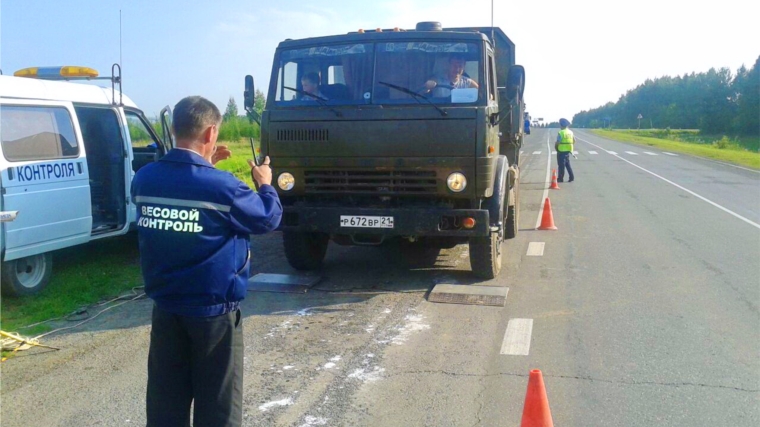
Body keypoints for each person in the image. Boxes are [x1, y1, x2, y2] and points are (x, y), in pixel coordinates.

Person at [131, 96, 282, 427]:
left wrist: (207, 163)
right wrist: (266, 184)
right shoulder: (224, 187)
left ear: (172, 130)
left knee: (165, 404)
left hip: (166, 310)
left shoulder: (144, 179)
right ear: (211, 132)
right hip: (213, 315)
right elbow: (267, 220)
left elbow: (184, 194)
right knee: (218, 408)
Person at [555, 118, 575, 182]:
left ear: (562, 125)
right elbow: (574, 140)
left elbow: (558, 142)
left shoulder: (561, 132)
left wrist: (556, 147)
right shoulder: (570, 132)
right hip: (568, 150)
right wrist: (569, 145)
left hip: (561, 150)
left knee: (561, 165)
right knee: (567, 164)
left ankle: (560, 178)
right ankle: (571, 177)